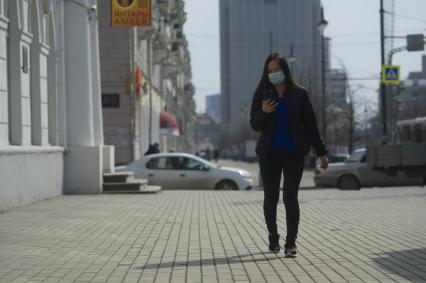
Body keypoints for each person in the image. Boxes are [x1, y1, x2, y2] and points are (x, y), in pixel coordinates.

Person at [250, 52, 329, 258]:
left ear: (285, 70)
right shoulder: (262, 94)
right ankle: (273, 236)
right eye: (270, 71)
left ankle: (291, 243)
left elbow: (311, 125)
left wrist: (321, 152)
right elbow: (255, 125)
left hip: (294, 154)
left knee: (290, 198)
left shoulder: (299, 94)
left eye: (277, 69)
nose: (274, 73)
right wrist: (264, 112)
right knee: (271, 199)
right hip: (269, 155)